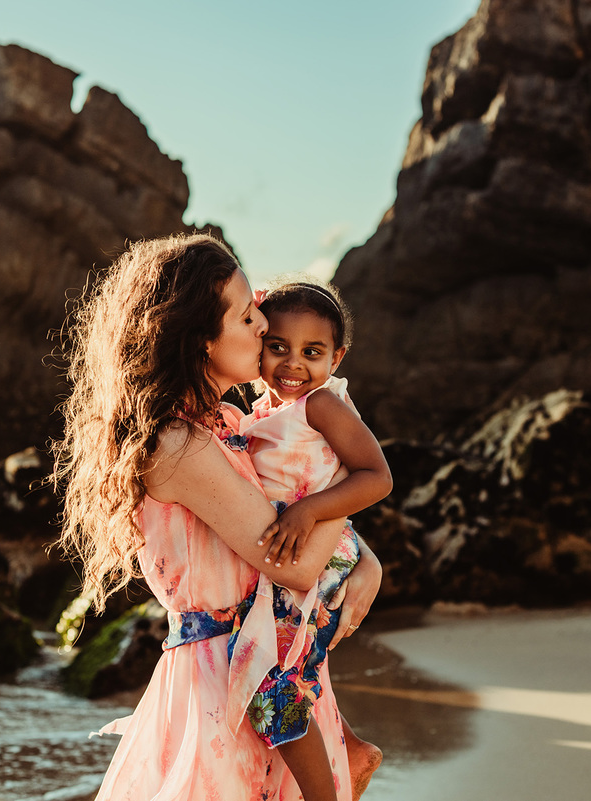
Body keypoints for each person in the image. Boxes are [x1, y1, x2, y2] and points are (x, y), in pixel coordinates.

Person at [52, 233, 383, 801]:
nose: (262, 327)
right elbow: (298, 566)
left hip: (260, 657)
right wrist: (354, 543)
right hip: (223, 678)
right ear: (203, 337)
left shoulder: (226, 424)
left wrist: (365, 558)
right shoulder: (179, 444)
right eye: (247, 314)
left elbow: (286, 514)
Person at [229, 279, 392, 801]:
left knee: (273, 692)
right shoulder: (261, 412)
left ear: (336, 358)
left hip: (321, 562)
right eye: (278, 347)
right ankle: (351, 749)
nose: (292, 364)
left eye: (312, 352)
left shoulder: (320, 405)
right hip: (296, 564)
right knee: (287, 674)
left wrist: (308, 511)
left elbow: (376, 476)